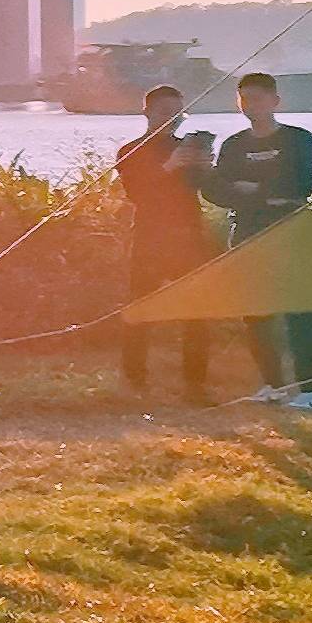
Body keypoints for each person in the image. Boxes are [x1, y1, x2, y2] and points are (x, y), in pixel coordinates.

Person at [202, 70, 312, 393]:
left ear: (275, 101)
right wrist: (258, 191)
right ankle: (272, 383)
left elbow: (299, 185)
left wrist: (250, 188)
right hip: (246, 232)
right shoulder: (234, 144)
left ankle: (309, 389)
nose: (251, 106)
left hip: (289, 230)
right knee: (255, 311)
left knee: (300, 310)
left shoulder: (298, 139)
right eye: (244, 100)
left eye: (258, 99)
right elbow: (217, 192)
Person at [113, 85, 215, 401]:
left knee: (198, 312)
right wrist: (169, 166)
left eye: (177, 112)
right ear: (147, 112)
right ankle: (135, 378)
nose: (172, 118)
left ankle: (195, 383)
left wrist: (206, 167)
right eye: (165, 111)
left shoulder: (187, 147)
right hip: (149, 237)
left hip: (188, 236)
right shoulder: (131, 150)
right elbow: (137, 193)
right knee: (140, 309)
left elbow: (208, 191)